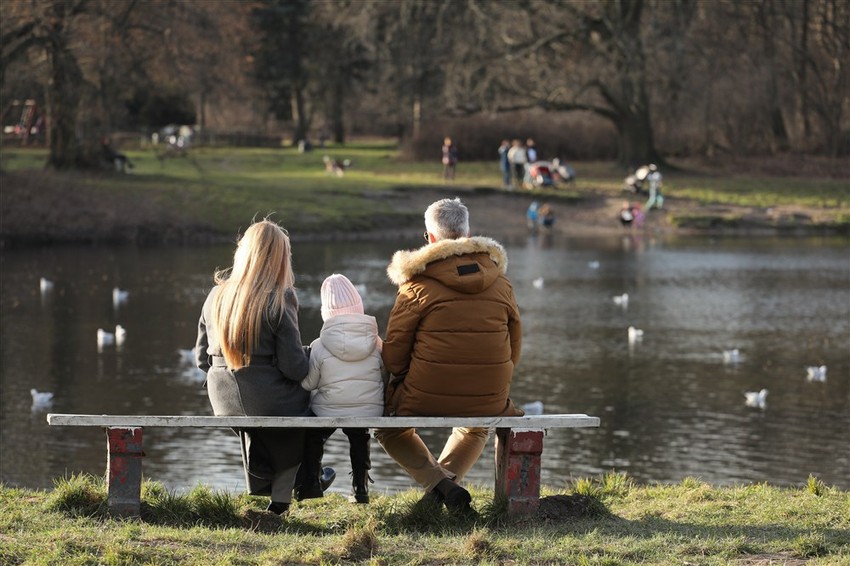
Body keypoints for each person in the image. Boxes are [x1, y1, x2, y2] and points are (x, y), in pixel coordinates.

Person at [376, 198, 523, 515]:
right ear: (468, 233)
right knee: (477, 426)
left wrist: (403, 380)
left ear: (429, 238)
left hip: (424, 395)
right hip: (489, 395)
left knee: (388, 430)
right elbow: (515, 347)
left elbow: (395, 356)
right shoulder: (501, 282)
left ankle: (440, 489)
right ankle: (443, 490)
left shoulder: (415, 285)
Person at [194, 219, 333, 516]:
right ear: (280, 258)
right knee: (317, 412)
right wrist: (313, 352)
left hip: (222, 400)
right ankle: (306, 480)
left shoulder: (214, 296)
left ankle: (283, 495)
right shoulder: (280, 298)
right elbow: (295, 369)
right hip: (267, 399)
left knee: (281, 423)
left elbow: (200, 358)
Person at [300, 274, 386, 504]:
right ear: (359, 306)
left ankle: (312, 483)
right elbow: (385, 375)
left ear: (326, 313)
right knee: (359, 434)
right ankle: (360, 487)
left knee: (314, 434)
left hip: (327, 410)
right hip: (369, 410)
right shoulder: (376, 343)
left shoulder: (319, 346)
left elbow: (309, 384)